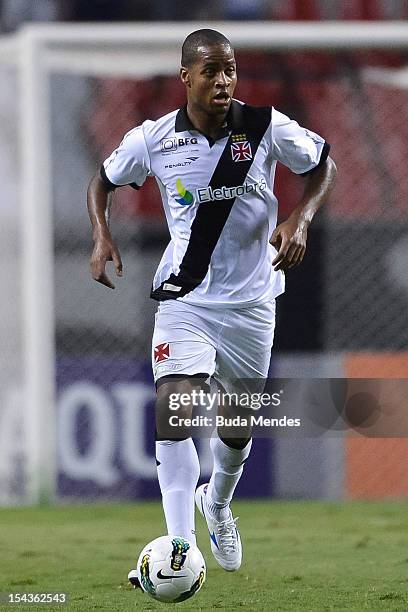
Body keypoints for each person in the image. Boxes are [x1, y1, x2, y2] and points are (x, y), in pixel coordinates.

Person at [87, 28, 337, 572]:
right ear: (186, 77)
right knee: (174, 403)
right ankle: (180, 544)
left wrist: (301, 217)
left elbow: (323, 163)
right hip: (187, 299)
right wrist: (102, 236)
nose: (223, 80)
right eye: (211, 71)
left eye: (230, 70)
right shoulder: (153, 139)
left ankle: (217, 503)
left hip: (252, 303)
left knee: (236, 425)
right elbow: (103, 181)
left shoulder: (265, 127)